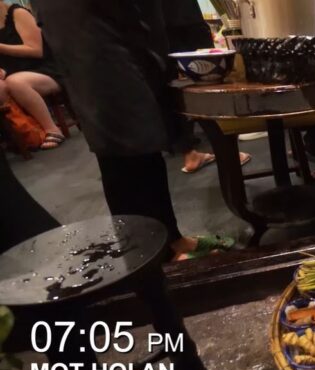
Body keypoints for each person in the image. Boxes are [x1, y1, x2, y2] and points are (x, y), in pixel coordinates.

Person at [32, 0, 232, 260]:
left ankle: (171, 239)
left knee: (145, 136)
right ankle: (153, 255)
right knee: (122, 138)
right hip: (87, 24)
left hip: (117, 23)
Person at [164, 0, 250, 174]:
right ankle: (228, 153)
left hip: (157, 22)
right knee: (207, 81)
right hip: (184, 16)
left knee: (171, 87)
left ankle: (189, 153)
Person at [0, 1, 64, 149]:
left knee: (15, 82)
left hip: (43, 69)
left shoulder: (17, 13)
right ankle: (21, 136)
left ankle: (52, 128)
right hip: (12, 73)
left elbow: (36, 50)